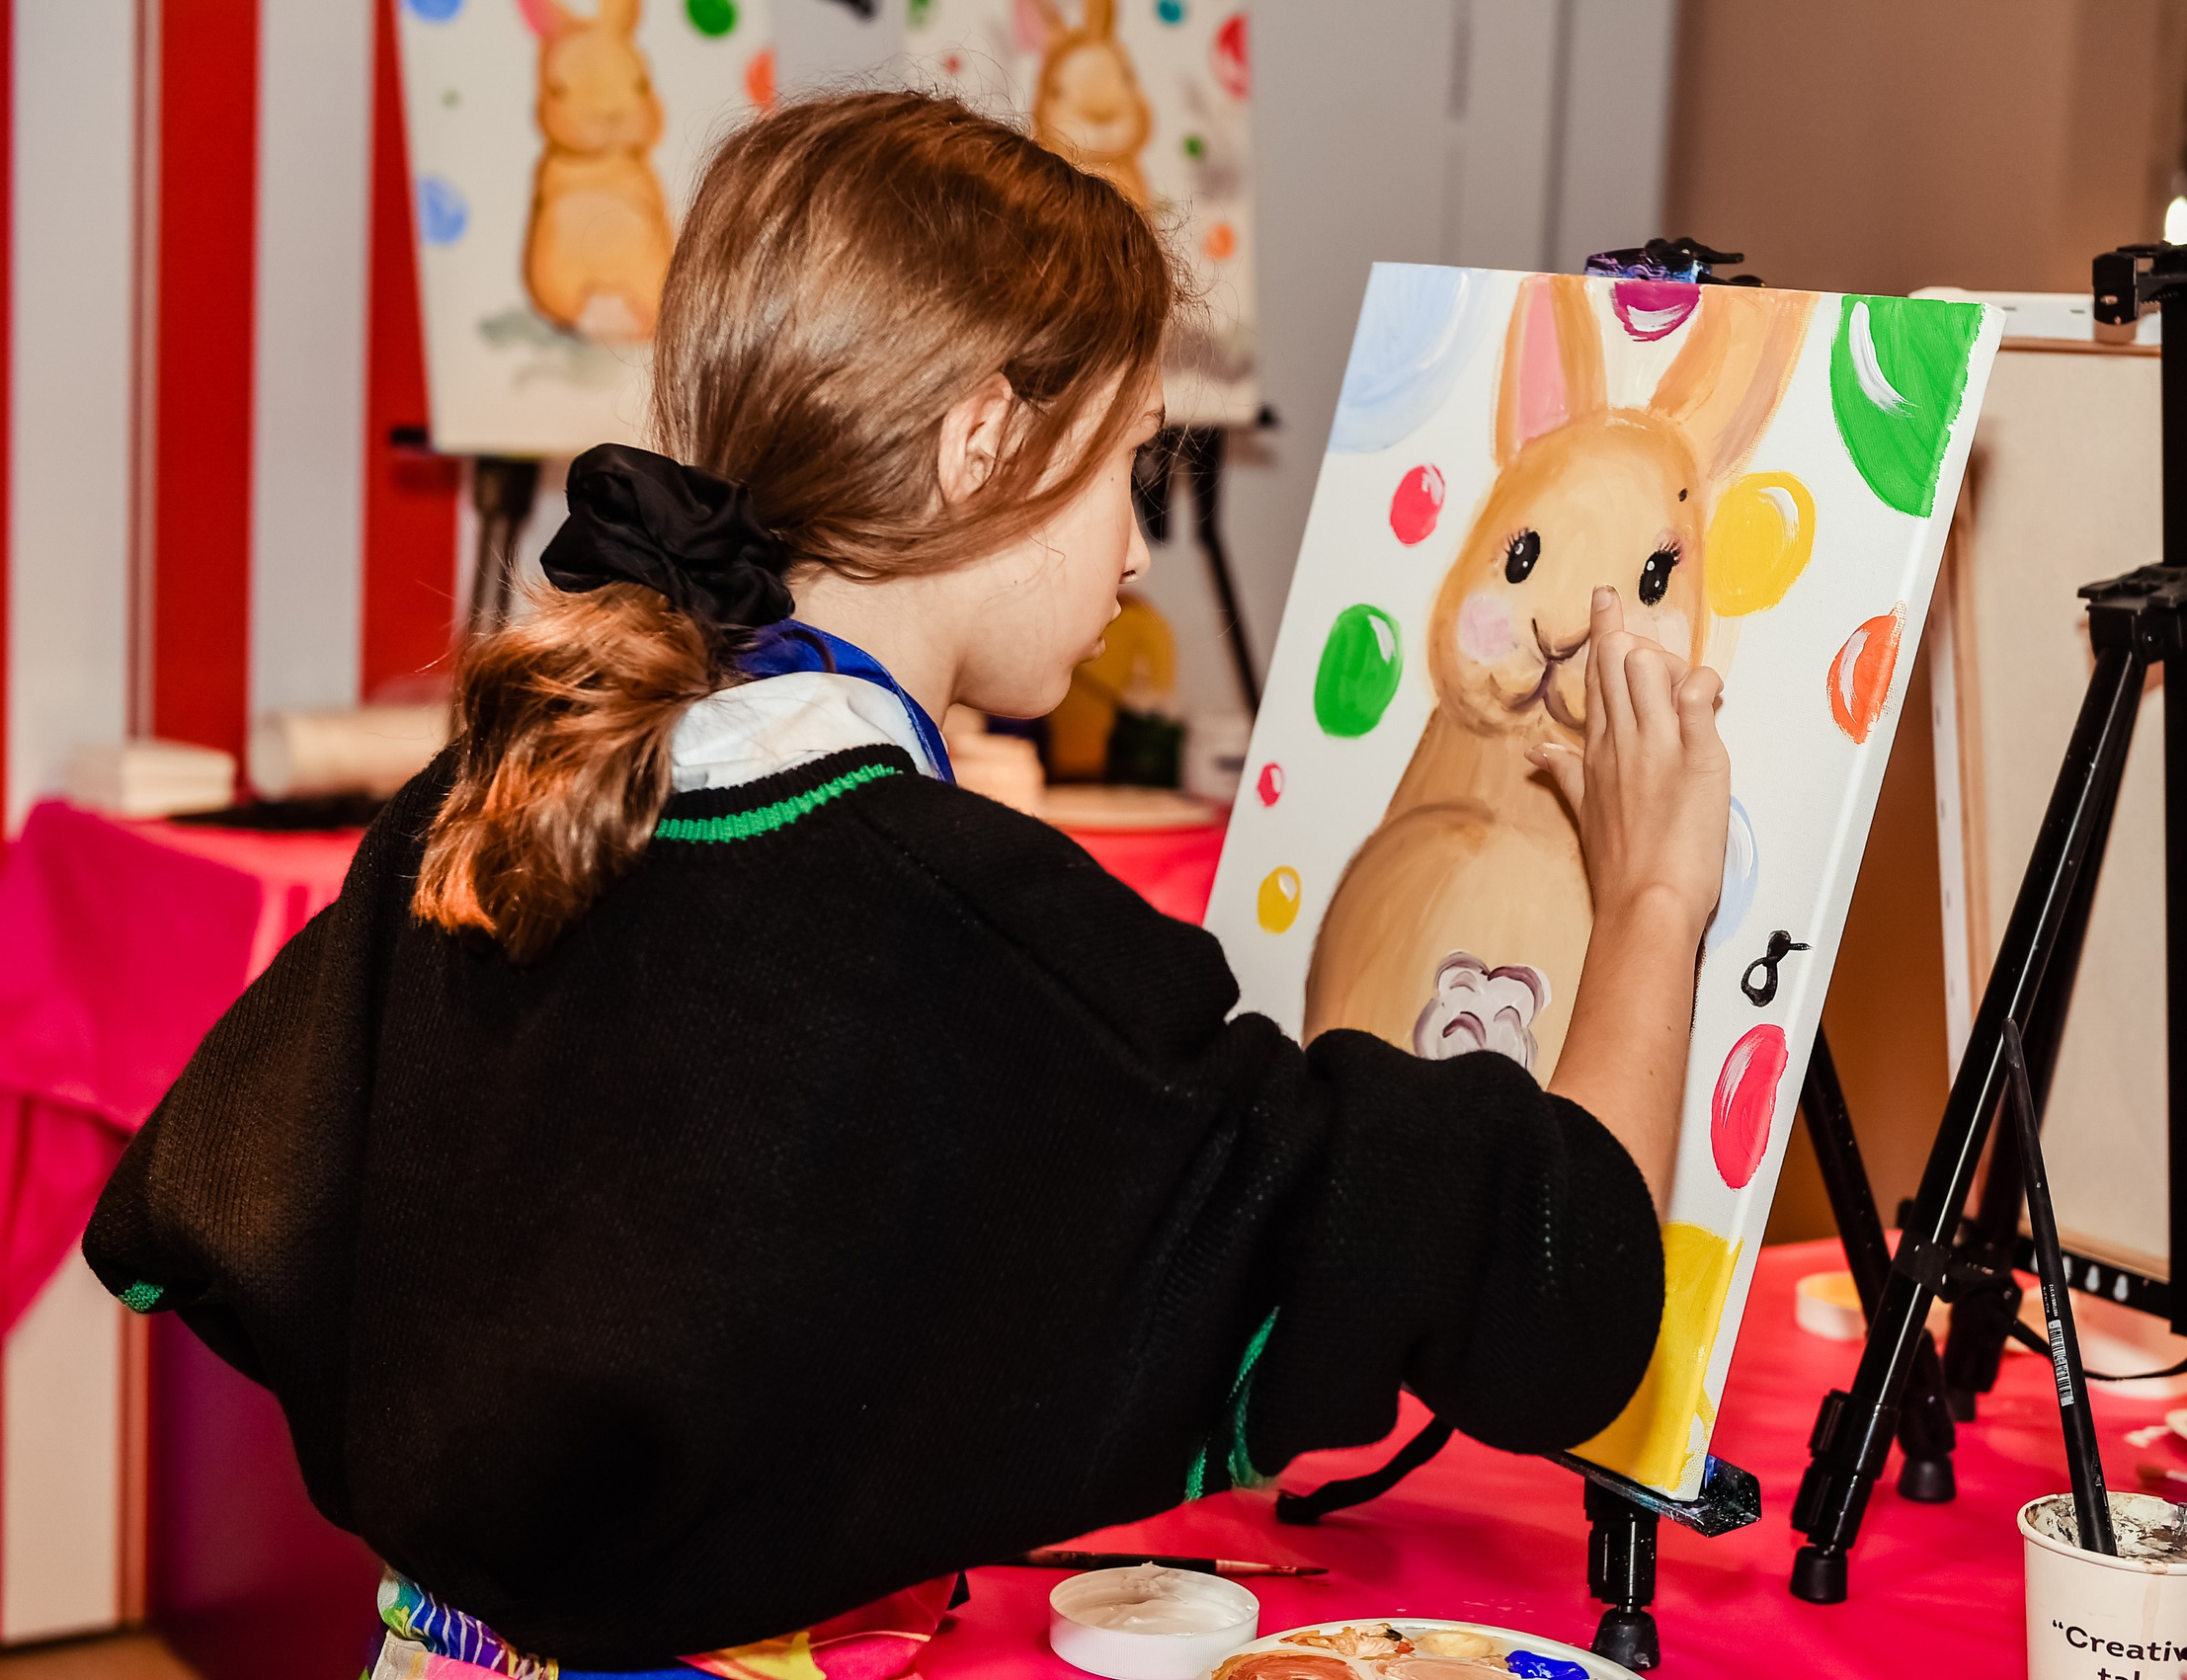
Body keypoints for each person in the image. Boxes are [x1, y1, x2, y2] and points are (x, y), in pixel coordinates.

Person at [84, 92, 1730, 1679]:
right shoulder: (949, 920)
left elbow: (201, 1212)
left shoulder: (520, 777)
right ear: (980, 445)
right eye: (1132, 469)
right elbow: (1559, 1288)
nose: (1144, 551)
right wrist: (1654, 893)